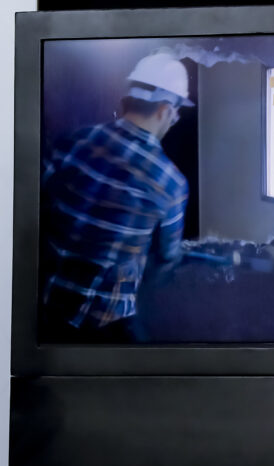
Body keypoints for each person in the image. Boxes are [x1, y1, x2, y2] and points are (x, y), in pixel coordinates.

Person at [40, 52, 192, 343]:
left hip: (43, 303)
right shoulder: (170, 183)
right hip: (102, 321)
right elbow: (167, 258)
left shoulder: (75, 139)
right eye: (176, 112)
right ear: (163, 109)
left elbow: (32, 208)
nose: (174, 119)